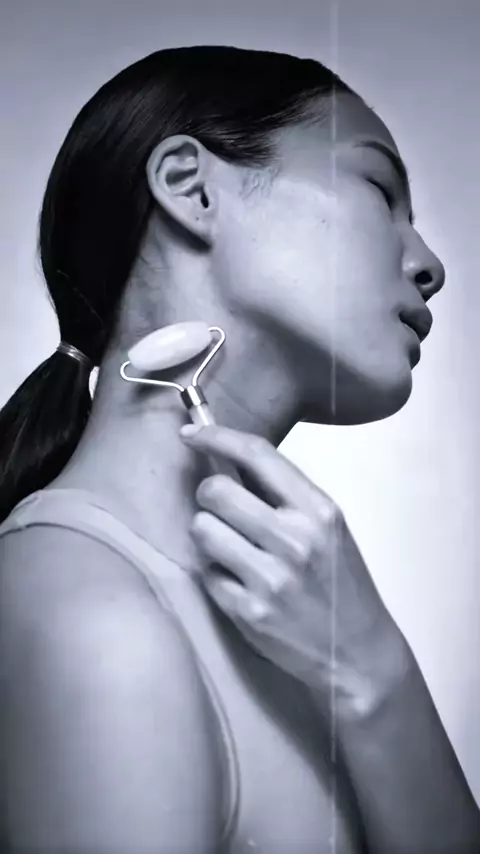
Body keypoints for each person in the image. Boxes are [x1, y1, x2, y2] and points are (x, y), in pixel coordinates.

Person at [0, 44, 478, 854]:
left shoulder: (305, 635)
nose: (428, 264)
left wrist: (375, 672)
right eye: (379, 189)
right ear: (191, 188)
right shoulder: (87, 617)